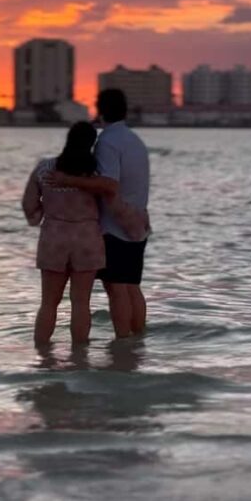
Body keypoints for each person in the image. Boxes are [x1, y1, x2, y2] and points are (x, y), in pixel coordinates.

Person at [46, 89, 150, 339]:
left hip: (114, 226)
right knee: (131, 286)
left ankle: (123, 344)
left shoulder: (107, 142)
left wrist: (67, 179)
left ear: (100, 109)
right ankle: (137, 345)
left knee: (116, 288)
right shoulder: (134, 140)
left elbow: (109, 184)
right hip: (137, 222)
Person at [22, 121, 105, 347]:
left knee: (48, 302)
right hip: (87, 237)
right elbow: (109, 202)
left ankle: (42, 356)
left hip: (53, 237)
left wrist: (40, 214)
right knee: (81, 303)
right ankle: (80, 357)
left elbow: (29, 203)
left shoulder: (44, 168)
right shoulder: (97, 172)